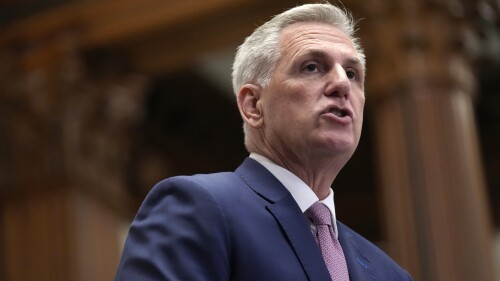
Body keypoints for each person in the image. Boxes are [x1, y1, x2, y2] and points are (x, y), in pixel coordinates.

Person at [115, 2, 413, 281]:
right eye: (311, 67)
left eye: (352, 73)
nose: (341, 84)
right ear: (253, 105)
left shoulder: (389, 273)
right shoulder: (196, 206)